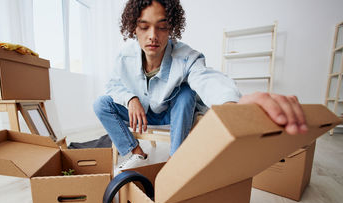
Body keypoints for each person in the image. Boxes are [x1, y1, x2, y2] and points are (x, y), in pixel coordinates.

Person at [94, 0, 307, 171]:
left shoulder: (186, 57)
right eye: (144, 27)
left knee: (187, 93)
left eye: (162, 27)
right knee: (101, 103)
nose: (152, 36)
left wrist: (234, 105)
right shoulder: (124, 56)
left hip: (170, 112)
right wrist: (130, 99)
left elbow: (206, 79)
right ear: (134, 28)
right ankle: (136, 153)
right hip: (140, 113)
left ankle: (175, 160)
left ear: (171, 29)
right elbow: (113, 84)